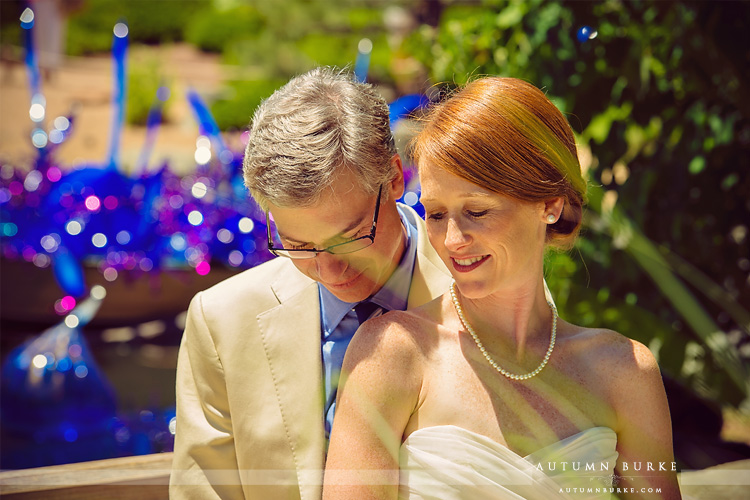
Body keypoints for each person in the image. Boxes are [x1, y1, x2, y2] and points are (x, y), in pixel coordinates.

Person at [323, 77, 681, 499]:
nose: (453, 240)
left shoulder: (626, 372)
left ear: (551, 204)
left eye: (477, 211)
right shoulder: (392, 354)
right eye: (436, 214)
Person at [169, 67, 452, 499]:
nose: (329, 270)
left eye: (351, 237)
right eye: (297, 244)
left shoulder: (483, 295)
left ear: (395, 177)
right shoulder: (221, 321)